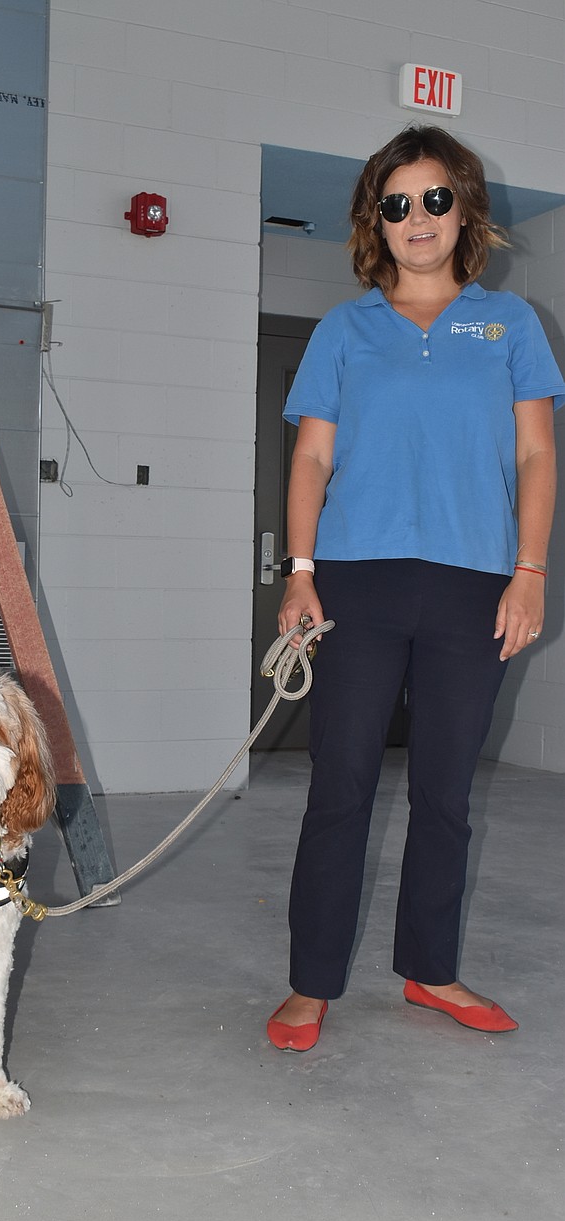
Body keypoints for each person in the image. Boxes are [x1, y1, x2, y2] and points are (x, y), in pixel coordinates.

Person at [266, 124, 564, 1052]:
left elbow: (536, 453)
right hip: (358, 582)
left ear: (464, 209)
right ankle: (312, 983)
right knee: (341, 785)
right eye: (398, 204)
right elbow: (312, 454)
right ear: (376, 221)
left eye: (436, 198)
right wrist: (301, 574)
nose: (418, 218)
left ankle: (431, 971)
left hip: (477, 587)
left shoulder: (511, 326)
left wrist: (530, 575)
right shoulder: (345, 329)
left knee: (444, 792)